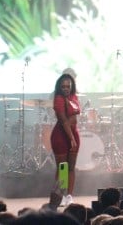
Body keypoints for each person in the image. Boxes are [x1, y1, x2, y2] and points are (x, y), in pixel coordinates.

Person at [50, 73, 81, 206]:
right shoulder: (58, 99)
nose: (66, 88)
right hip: (61, 136)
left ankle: (69, 195)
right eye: (63, 86)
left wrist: (74, 138)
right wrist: (71, 139)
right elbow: (64, 121)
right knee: (62, 167)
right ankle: (60, 195)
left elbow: (74, 118)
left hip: (74, 133)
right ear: (59, 87)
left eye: (68, 86)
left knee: (71, 167)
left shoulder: (74, 97)